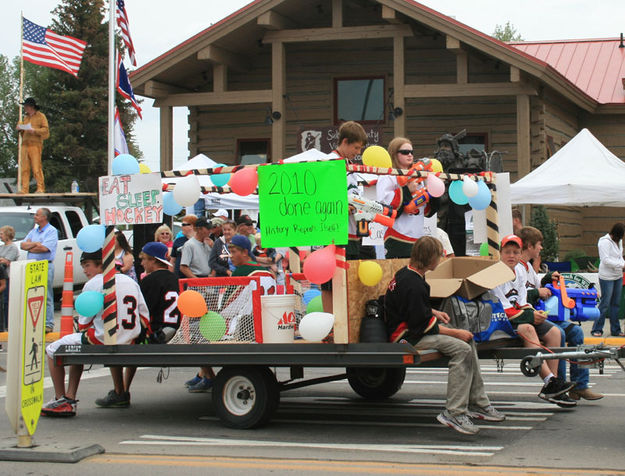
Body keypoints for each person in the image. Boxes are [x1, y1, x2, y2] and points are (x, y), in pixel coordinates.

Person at [384, 236, 505, 435]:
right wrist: (455, 331)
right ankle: (454, 412)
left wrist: (433, 312)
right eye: (439, 256)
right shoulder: (413, 284)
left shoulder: (408, 274)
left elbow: (409, 308)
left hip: (410, 328)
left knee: (468, 340)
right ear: (429, 258)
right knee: (462, 348)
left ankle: (478, 402)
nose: (440, 260)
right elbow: (420, 325)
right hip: (405, 337)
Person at [41, 250, 148, 416]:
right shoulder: (130, 281)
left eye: (87, 265)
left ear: (100, 264)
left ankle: (61, 398)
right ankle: (70, 397)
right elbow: (144, 315)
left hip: (102, 339)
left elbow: (84, 322)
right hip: (130, 338)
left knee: (52, 350)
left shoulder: (94, 283)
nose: (85, 270)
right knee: (74, 344)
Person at [519, 226, 603, 401]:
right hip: (530, 317)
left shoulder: (527, 266)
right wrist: (537, 293)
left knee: (578, 332)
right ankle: (560, 385)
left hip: (542, 315)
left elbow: (537, 286)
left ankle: (580, 386)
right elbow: (517, 295)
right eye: (539, 244)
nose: (541, 248)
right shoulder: (517, 268)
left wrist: (548, 279)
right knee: (562, 333)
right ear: (529, 246)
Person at [491, 234, 575, 407]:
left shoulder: (520, 271)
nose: (511, 256)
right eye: (507, 252)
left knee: (554, 332)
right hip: (500, 321)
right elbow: (504, 310)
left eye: (515, 252)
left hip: (518, 316)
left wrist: (535, 313)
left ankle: (554, 384)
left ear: (521, 253)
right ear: (500, 253)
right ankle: (550, 382)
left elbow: (522, 302)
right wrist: (530, 316)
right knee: (528, 328)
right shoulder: (496, 274)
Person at [96, 242, 181, 406]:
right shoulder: (174, 278)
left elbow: (142, 311)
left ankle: (119, 391)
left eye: (143, 260)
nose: (141, 264)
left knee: (117, 338)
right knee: (132, 335)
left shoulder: (150, 281)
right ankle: (124, 389)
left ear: (153, 261)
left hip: (157, 334)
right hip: (175, 330)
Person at [322, 121, 370, 313]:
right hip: (335, 233)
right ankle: (331, 325)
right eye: (356, 147)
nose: (357, 152)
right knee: (330, 284)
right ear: (345, 141)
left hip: (352, 233)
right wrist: (345, 206)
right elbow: (323, 198)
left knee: (346, 283)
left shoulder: (349, 165)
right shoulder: (329, 163)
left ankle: (343, 324)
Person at [377, 137, 429, 258]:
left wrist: (434, 191)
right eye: (405, 152)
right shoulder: (387, 175)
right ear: (394, 154)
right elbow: (386, 207)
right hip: (397, 236)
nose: (410, 155)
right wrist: (407, 190)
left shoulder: (419, 175)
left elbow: (428, 210)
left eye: (411, 152)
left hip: (418, 237)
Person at [21, 208, 58, 332]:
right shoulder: (34, 231)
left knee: (46, 294)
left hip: (45, 265)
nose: (35, 217)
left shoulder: (51, 231)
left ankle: (48, 323)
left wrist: (31, 246)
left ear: (44, 217)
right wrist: (36, 243)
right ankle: (34, 321)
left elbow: (45, 249)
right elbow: (23, 245)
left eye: (37, 215)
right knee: (32, 294)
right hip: (32, 266)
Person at [591, 223, 625, 337]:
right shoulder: (604, 242)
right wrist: (621, 265)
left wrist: (622, 264)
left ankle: (616, 329)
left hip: (618, 276)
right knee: (605, 303)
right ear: (615, 233)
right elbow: (605, 260)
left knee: (616, 304)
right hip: (607, 277)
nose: (621, 239)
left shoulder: (619, 241)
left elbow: (620, 257)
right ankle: (597, 329)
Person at [16, 97, 49, 194]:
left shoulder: (41, 116)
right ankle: (24, 189)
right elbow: (21, 131)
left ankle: (40, 188)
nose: (25, 108)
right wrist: (20, 128)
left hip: (35, 145)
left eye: (26, 106)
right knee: (24, 168)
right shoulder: (25, 118)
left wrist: (34, 130)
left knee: (36, 167)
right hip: (25, 145)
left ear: (31, 107)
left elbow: (46, 130)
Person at [0, 225, 20, 330]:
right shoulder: (1, 247)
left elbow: (6, 261)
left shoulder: (13, 247)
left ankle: (7, 325)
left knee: (6, 301)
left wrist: (3, 259)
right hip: (1, 277)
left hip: (8, 277)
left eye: (2, 233)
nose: (0, 236)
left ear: (8, 234)